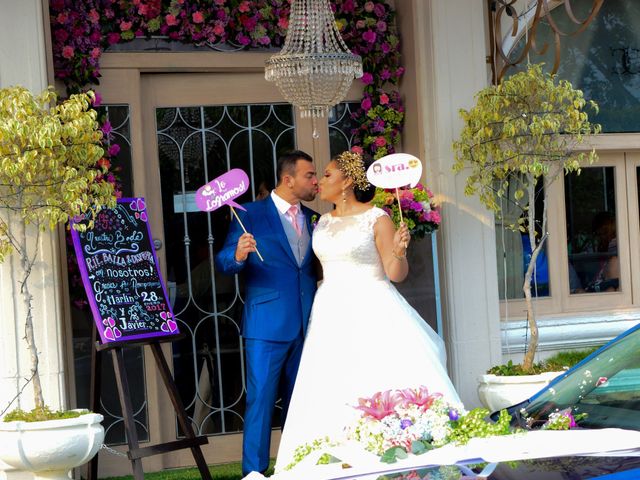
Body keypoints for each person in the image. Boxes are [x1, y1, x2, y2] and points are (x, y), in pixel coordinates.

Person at [275, 151, 461, 471]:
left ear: (347, 181)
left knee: (375, 375)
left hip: (372, 306)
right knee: (331, 383)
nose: (320, 180)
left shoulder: (377, 218)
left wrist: (399, 252)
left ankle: (392, 452)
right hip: (331, 311)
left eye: (329, 175)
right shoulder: (322, 222)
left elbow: (394, 272)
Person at [215, 150, 319, 477]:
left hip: (307, 323)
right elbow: (223, 263)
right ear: (288, 179)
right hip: (266, 325)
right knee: (260, 402)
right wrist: (238, 254)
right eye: (309, 175)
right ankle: (254, 473)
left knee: (301, 401)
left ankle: (298, 466)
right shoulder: (250, 214)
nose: (315, 181)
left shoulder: (314, 217)